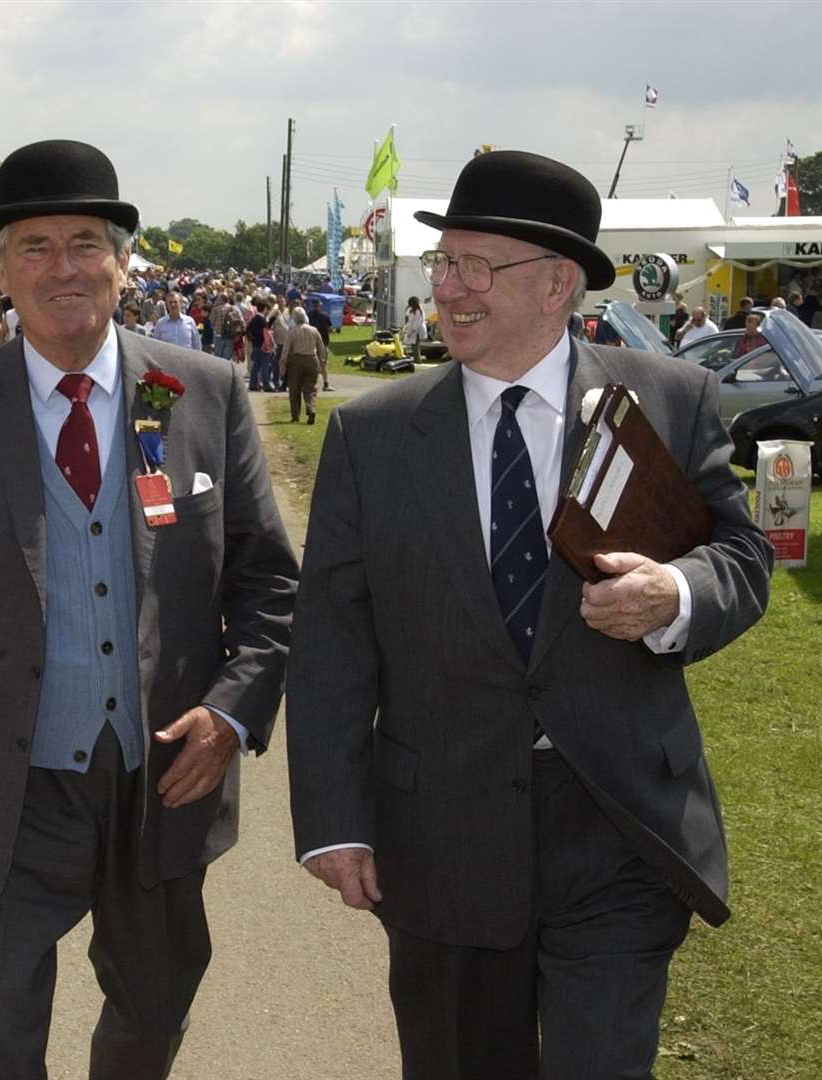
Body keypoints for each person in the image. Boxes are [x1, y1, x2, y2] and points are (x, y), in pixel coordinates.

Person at [286, 150, 772, 1079]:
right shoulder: (375, 434)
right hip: (444, 834)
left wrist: (676, 594)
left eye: (479, 266)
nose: (451, 290)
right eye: (444, 265)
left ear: (557, 285)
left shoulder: (665, 399)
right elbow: (333, 640)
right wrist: (334, 818)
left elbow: (741, 557)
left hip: (619, 819)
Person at [0, 139, 298, 1080]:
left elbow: (269, 585)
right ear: (1, 271)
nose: (64, 268)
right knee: (3, 1038)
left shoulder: (202, 392)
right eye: (35, 247)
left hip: (160, 775)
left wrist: (229, 712)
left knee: (154, 1010)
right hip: (3, 787)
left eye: (86, 242)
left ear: (124, 261)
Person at [281, 306, 322, 425]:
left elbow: (286, 350)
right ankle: (311, 408)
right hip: (312, 360)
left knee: (294, 389)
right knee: (310, 388)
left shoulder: (292, 332)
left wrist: (282, 364)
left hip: (296, 360)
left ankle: (295, 415)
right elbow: (321, 348)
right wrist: (321, 361)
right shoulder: (314, 330)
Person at [247, 298, 276, 391]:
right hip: (263, 346)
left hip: (255, 345)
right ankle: (266, 385)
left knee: (256, 366)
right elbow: (266, 333)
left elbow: (248, 331)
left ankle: (253, 384)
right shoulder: (262, 320)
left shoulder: (254, 319)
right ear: (264, 309)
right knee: (265, 366)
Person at [306, 298, 334, 390]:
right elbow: (330, 329)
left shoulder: (308, 315)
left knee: (311, 363)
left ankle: (310, 383)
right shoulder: (325, 316)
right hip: (323, 342)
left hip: (311, 342)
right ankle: (325, 384)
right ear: (320, 305)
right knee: (323, 364)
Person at [402, 295, 429, 361]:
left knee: (416, 346)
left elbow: (417, 324)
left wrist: (411, 332)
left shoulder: (418, 311)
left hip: (418, 331)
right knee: (414, 346)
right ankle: (417, 360)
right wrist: (406, 328)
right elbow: (410, 321)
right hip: (414, 330)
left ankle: (418, 360)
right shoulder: (412, 310)